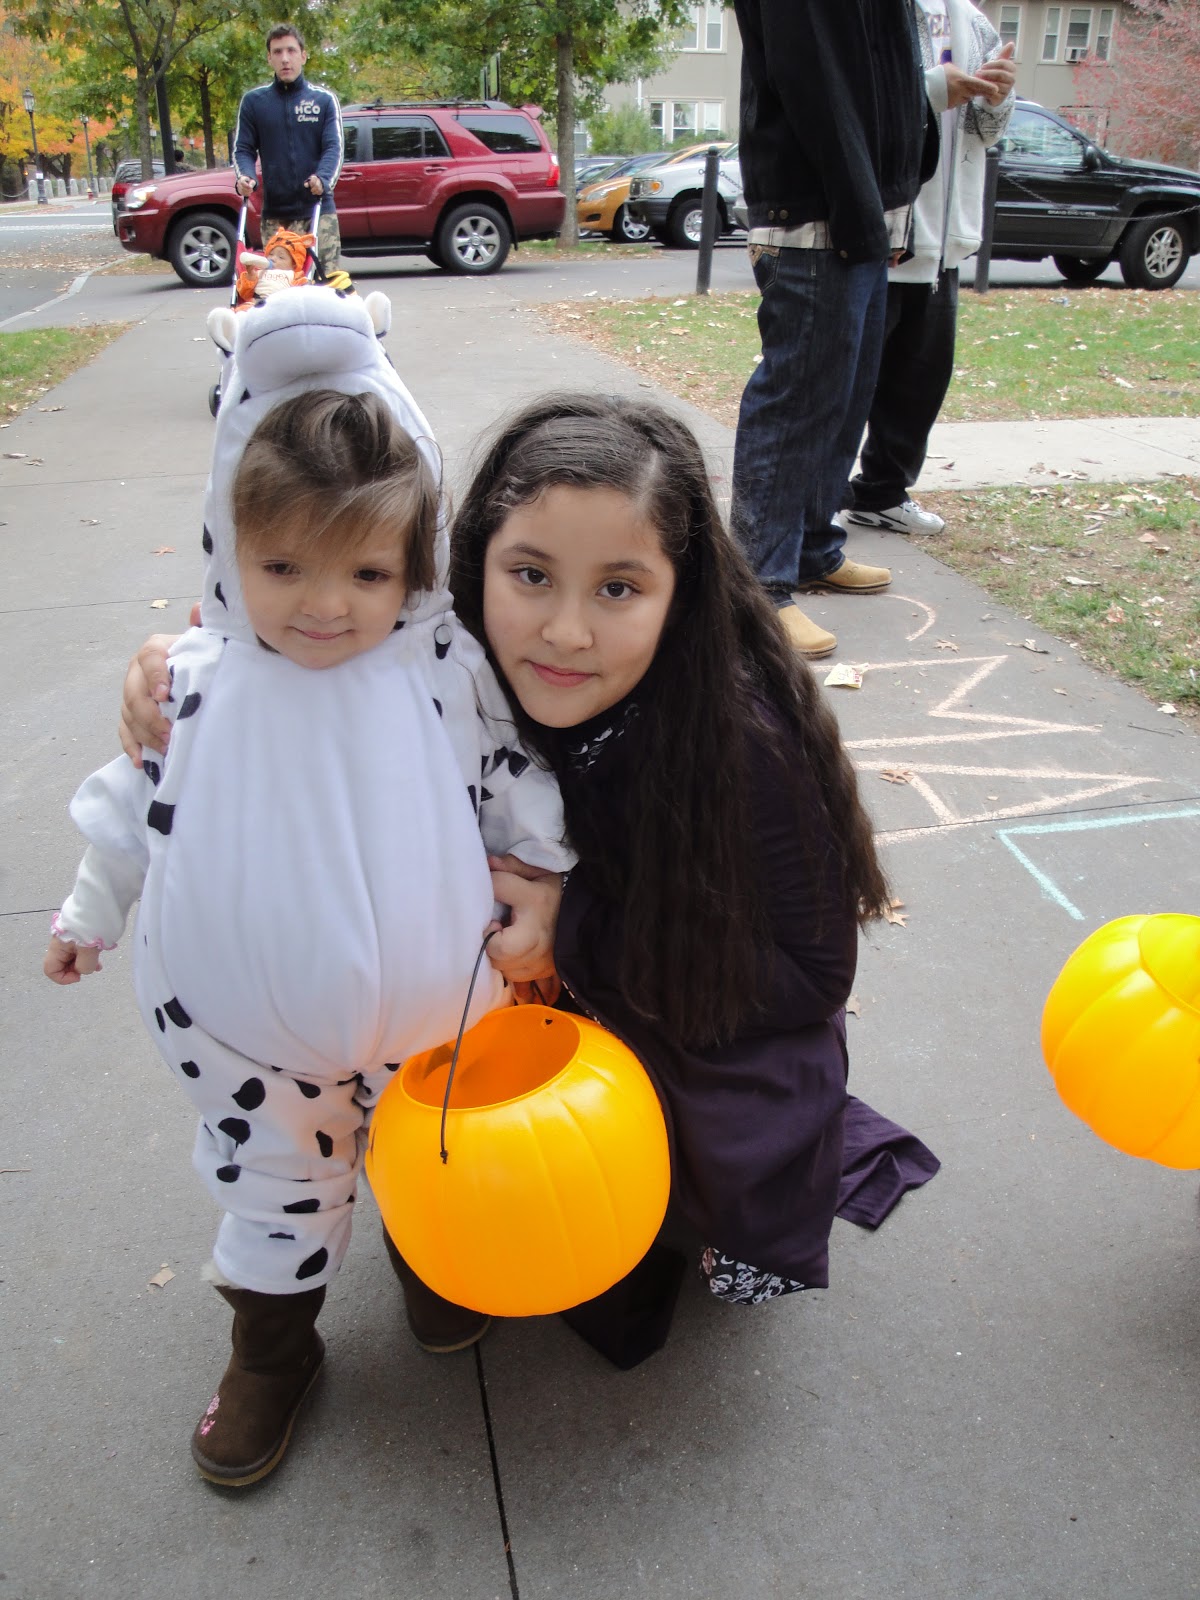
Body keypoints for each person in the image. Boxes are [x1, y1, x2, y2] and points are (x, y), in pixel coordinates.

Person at [122, 392, 939, 1376]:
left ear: (681, 596)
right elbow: (290, 618)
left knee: (601, 1268)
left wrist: (574, 926)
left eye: (619, 588)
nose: (565, 631)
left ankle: (693, 1216)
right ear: (468, 566)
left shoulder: (738, 745)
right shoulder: (450, 661)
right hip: (513, 1020)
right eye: (532, 574)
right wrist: (172, 671)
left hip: (693, 1047)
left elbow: (812, 976)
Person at [48, 289, 572, 1490]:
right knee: (276, 1180)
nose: (325, 604)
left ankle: (435, 1261)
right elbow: (132, 801)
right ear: (228, 544)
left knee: (437, 1147)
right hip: (248, 1035)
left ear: (412, 562)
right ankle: (274, 1350)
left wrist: (540, 881)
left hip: (437, 1012)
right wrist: (89, 909)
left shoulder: (443, 667)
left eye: (367, 570)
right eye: (282, 565)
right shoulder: (193, 680)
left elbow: (513, 780)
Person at [729, 0, 938, 660]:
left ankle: (813, 548)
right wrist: (862, 211)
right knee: (798, 400)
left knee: (845, 397)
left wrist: (895, 202)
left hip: (865, 207)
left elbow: (890, 72)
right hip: (818, 212)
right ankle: (757, 590)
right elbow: (812, 79)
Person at [838, 3, 1016, 540]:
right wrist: (934, 88)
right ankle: (814, 504)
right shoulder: (876, 11)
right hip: (882, 227)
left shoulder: (973, 22)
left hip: (944, 235)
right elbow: (859, 100)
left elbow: (985, 132)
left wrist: (999, 96)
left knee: (920, 382)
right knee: (846, 385)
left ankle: (883, 493)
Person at [233, 23, 343, 277]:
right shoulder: (254, 102)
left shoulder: (323, 100)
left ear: (303, 56)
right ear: (269, 58)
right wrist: (245, 176)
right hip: (275, 218)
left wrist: (323, 179)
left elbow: (334, 147)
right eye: (278, 52)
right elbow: (243, 149)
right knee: (276, 286)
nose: (285, 59)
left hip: (318, 211)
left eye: (291, 51)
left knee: (326, 284)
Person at [233, 225, 312, 306]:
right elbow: (245, 294)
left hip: (280, 304)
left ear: (294, 264)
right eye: (270, 254)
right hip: (257, 302)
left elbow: (300, 294)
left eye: (281, 257)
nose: (273, 258)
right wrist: (250, 275)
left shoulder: (293, 275)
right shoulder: (259, 271)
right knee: (242, 309)